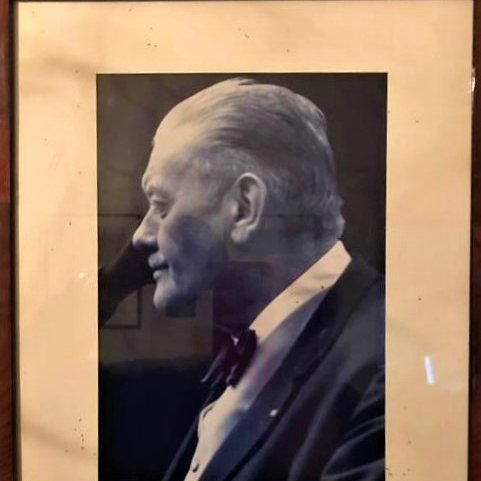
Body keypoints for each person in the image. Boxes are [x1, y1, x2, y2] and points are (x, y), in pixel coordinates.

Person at [99, 78, 385, 481]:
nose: (141, 236)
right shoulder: (245, 352)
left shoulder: (383, 365)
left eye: (161, 205)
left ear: (244, 207)